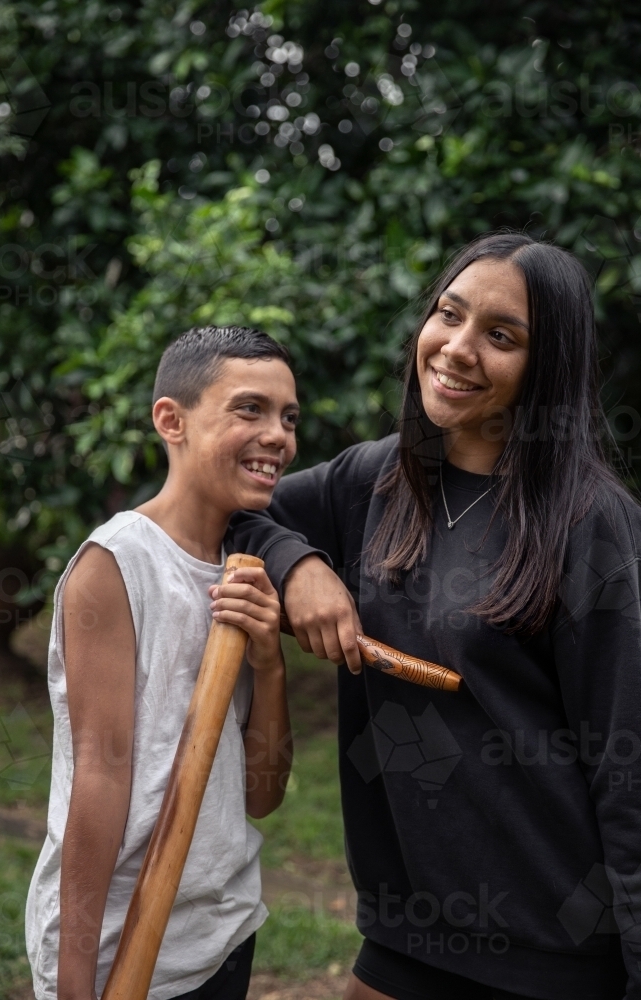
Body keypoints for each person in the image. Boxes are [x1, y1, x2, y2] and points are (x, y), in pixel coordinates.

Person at [229, 232, 641, 1000]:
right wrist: (301, 565)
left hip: (549, 952)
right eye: (447, 315)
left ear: (544, 367)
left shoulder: (589, 524)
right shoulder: (374, 481)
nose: (455, 348)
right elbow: (228, 509)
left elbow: (628, 769)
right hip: (404, 930)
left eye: (500, 336)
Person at [26, 326, 298, 1000]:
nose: (278, 436)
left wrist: (270, 662)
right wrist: (74, 985)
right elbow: (100, 781)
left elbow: (261, 795)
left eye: (288, 417)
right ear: (170, 421)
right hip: (119, 950)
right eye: (249, 409)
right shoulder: (118, 564)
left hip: (219, 932)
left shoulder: (244, 575)